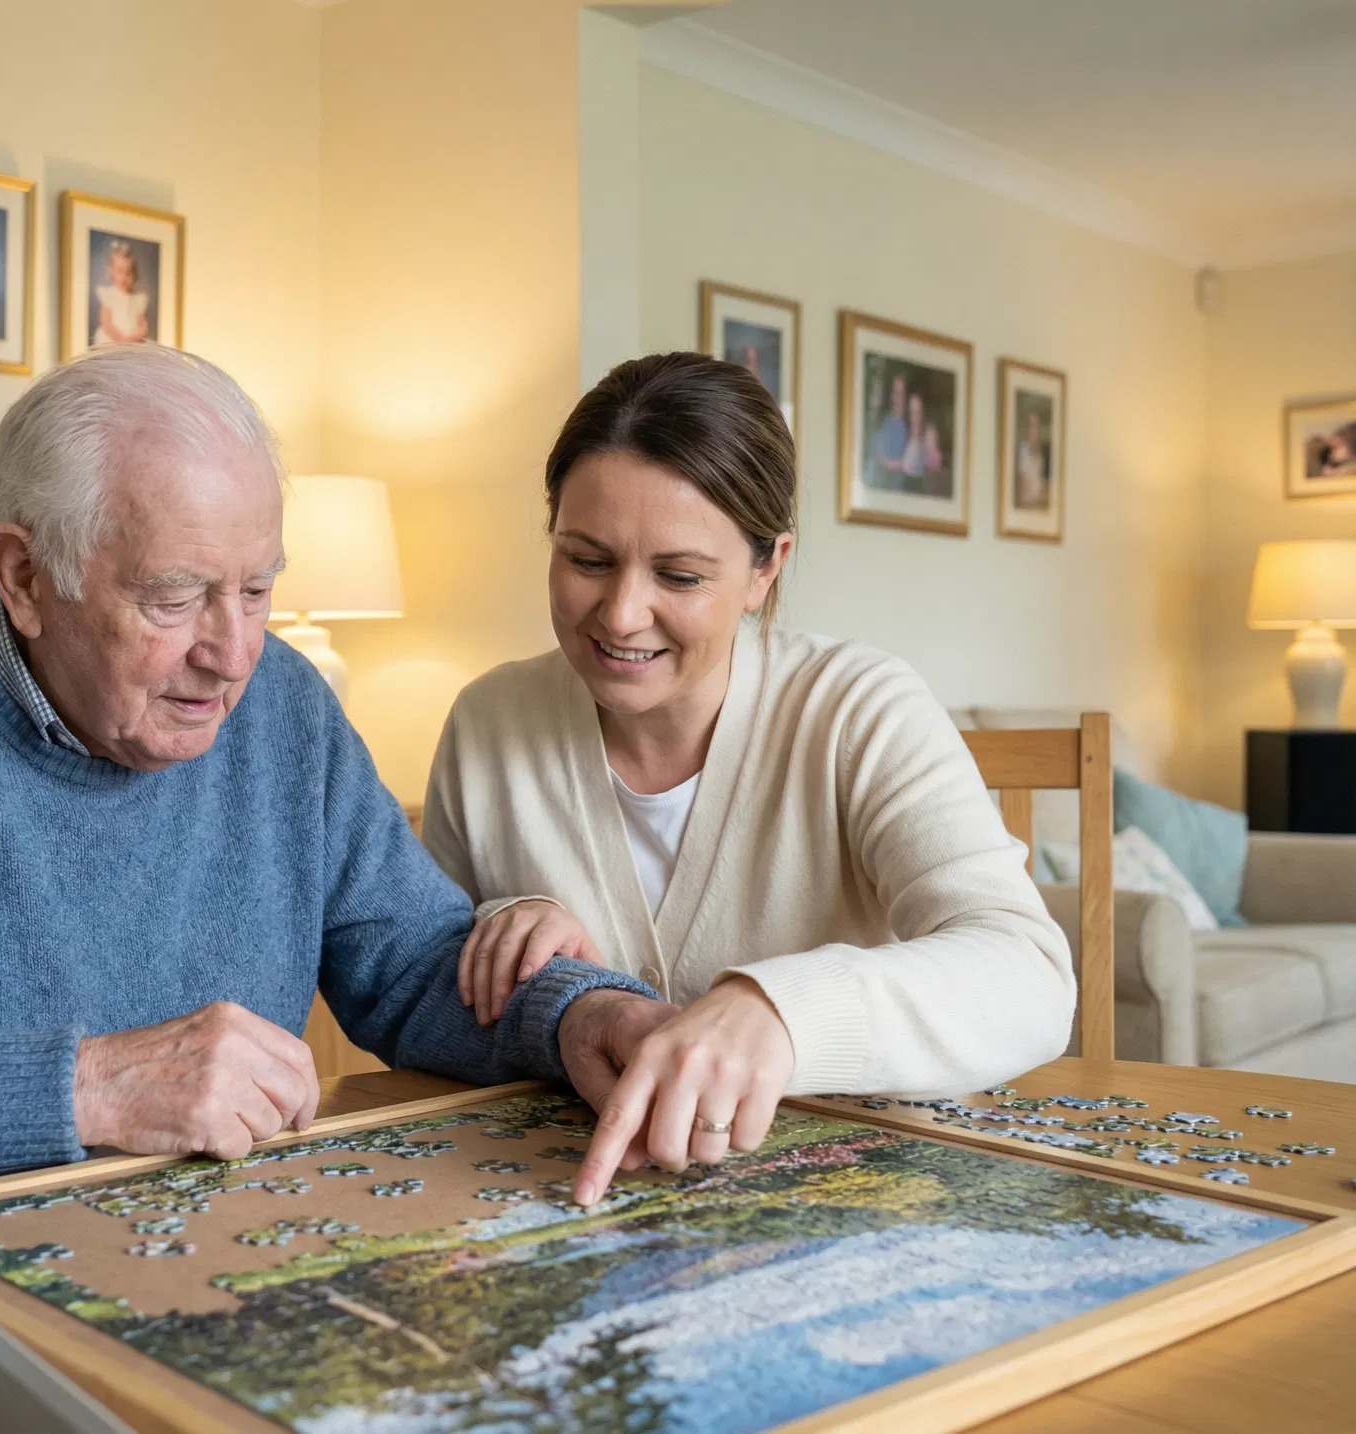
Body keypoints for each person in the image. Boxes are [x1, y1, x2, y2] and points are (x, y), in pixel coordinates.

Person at [0, 345, 657, 1207]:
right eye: (176, 597)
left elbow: (418, 963)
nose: (234, 651)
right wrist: (85, 1089)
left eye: (256, 589)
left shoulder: (284, 702)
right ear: (27, 576)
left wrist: (580, 1018)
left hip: (206, 1267)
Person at [423, 351, 1074, 1206]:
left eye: (680, 576)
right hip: (572, 1205)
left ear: (766, 571)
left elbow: (1024, 973)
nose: (620, 614)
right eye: (586, 559)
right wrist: (501, 933)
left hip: (859, 1203)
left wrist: (780, 1010)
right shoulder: (488, 722)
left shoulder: (857, 709)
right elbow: (421, 986)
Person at [93, 239, 150, 345]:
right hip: (113, 339)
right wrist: (122, 340)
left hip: (132, 341)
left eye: (128, 273)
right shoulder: (109, 295)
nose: (124, 277)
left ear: (135, 274)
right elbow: (106, 323)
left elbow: (142, 323)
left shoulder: (138, 299)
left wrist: (140, 334)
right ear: (111, 271)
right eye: (120, 271)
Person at [869, 373, 909, 487]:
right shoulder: (884, 423)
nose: (897, 397)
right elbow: (877, 455)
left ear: (905, 396)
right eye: (895, 392)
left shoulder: (909, 425)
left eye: (901, 393)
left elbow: (910, 464)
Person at [1016, 409, 1051, 508]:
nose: (1032, 430)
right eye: (1029, 426)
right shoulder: (1020, 451)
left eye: (1035, 426)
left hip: (1040, 502)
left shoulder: (1044, 452)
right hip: (1025, 503)